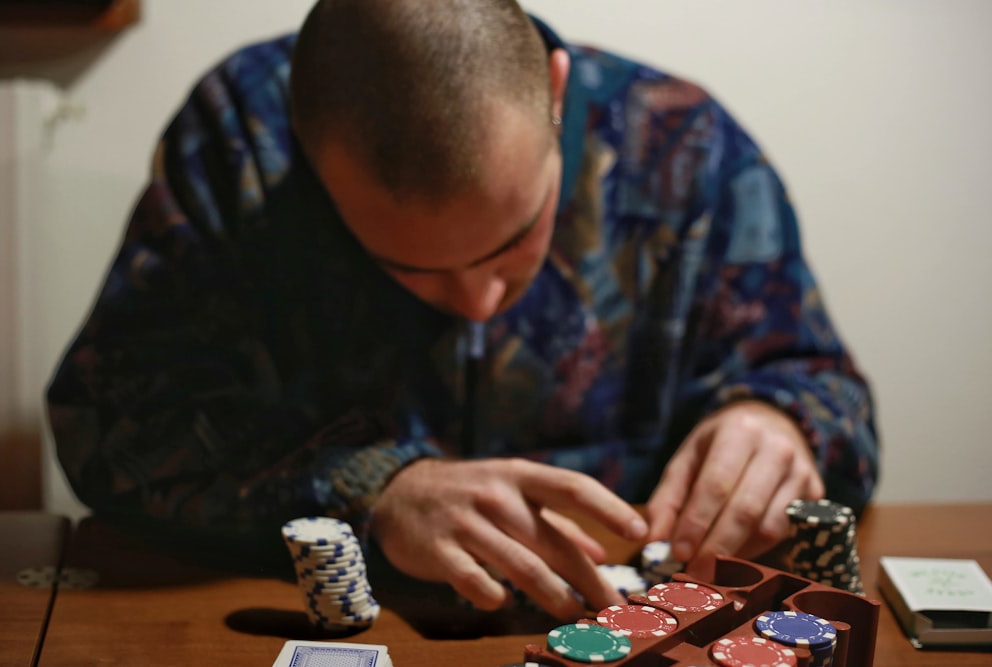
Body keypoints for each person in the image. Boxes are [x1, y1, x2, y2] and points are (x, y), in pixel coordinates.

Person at [46, 0, 879, 620]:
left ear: (556, 90)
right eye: (406, 266)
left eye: (514, 237)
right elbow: (111, 420)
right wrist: (375, 484)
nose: (479, 302)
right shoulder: (241, 142)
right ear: (307, 153)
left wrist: (781, 422)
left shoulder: (685, 146)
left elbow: (830, 394)